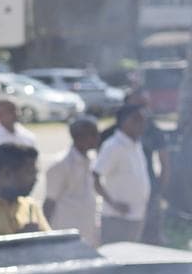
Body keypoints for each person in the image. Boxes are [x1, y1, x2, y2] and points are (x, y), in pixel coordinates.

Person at [100, 89, 171, 244]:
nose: (143, 112)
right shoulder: (112, 137)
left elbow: (165, 162)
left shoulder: (150, 131)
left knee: (148, 239)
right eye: (138, 104)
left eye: (145, 105)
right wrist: (112, 201)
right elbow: (97, 171)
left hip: (148, 194)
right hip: (119, 204)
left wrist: (158, 191)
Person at [93, 104, 150, 244]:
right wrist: (113, 204)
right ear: (124, 121)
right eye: (136, 119)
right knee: (115, 259)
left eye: (143, 119)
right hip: (116, 218)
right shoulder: (113, 146)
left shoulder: (136, 144)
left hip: (136, 216)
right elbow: (95, 177)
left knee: (131, 259)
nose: (142, 124)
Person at [45, 117, 104, 246]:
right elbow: (49, 202)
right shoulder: (60, 165)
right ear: (79, 137)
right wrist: (45, 236)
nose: (97, 138)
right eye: (93, 135)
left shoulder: (92, 160)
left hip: (88, 230)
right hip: (66, 233)